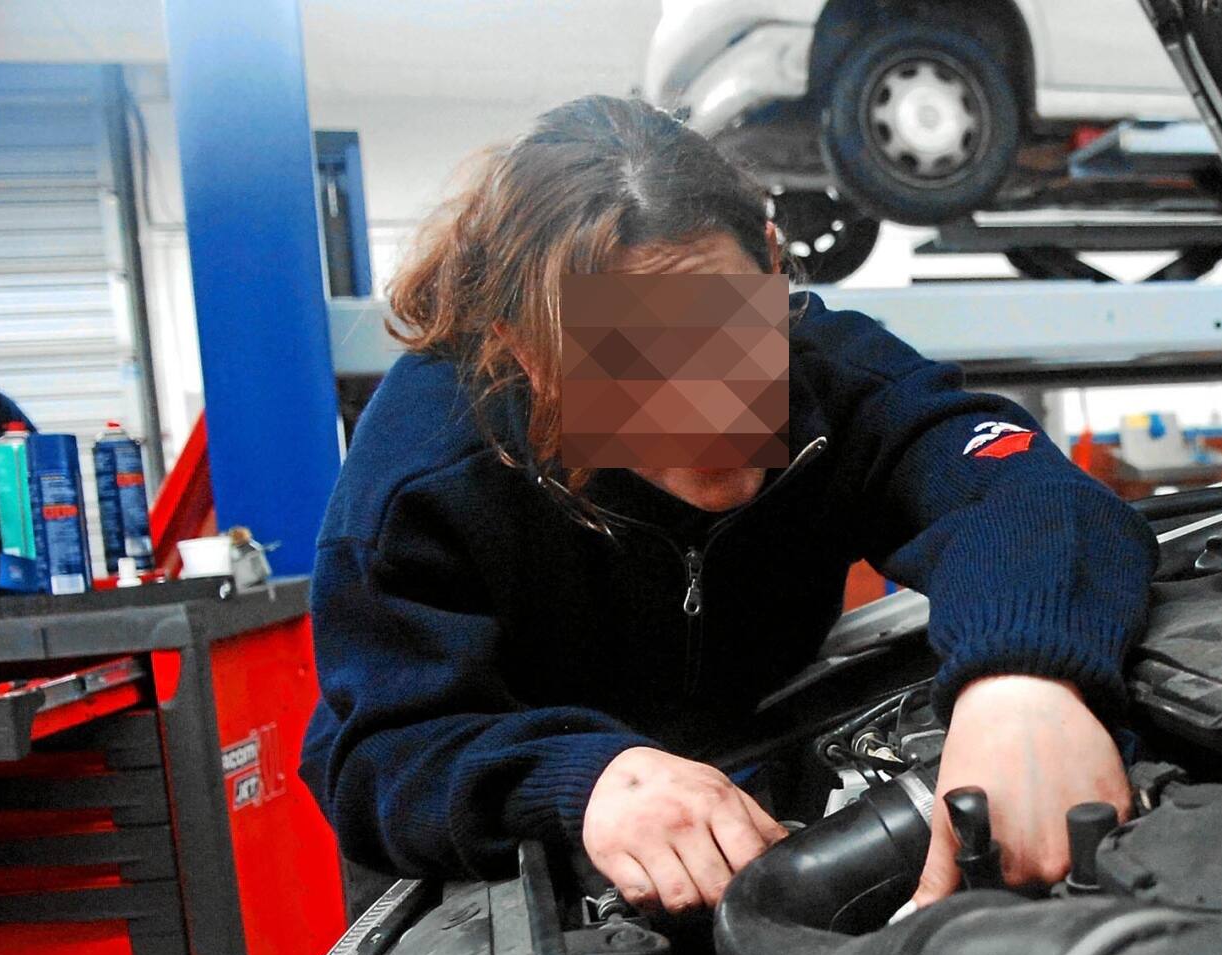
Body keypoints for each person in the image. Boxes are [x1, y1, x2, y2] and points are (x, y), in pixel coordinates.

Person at [300, 96, 1156, 913]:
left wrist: (1021, 677)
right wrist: (580, 779)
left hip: (731, 770)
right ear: (529, 350)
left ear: (774, 266)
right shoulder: (428, 472)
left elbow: (1022, 492)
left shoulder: (836, 380)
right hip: (492, 859)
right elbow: (375, 750)